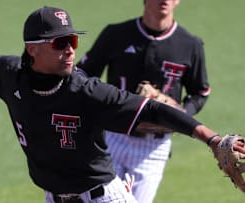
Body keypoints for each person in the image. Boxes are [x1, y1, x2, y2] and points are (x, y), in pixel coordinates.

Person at [0, 6, 242, 203]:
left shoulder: (85, 91)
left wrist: (211, 139)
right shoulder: (10, 73)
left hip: (104, 198)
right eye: (60, 43)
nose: (70, 48)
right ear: (33, 50)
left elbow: (152, 110)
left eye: (72, 40)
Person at [76, 0, 211, 202]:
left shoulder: (190, 45)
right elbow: (82, 75)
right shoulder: (116, 34)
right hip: (111, 138)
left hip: (153, 150)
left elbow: (200, 92)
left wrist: (180, 115)